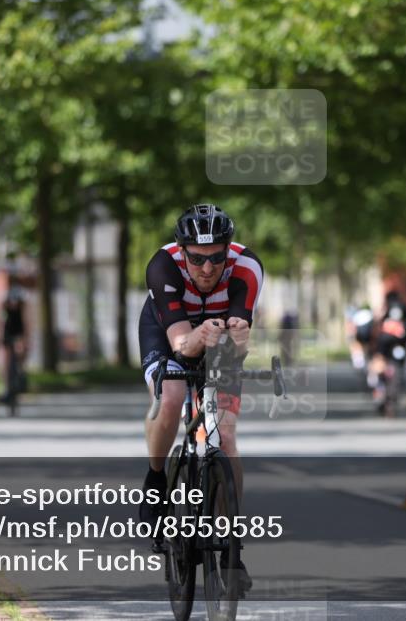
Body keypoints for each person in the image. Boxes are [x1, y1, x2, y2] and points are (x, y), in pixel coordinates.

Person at [137, 203, 264, 593]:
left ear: (228, 251)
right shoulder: (163, 266)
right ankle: (157, 478)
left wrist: (238, 337)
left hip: (219, 341)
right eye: (196, 259)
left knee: (224, 437)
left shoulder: (247, 267)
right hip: (169, 332)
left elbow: (240, 331)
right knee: (173, 396)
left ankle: (229, 544)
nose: (207, 269)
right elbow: (180, 342)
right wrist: (197, 338)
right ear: (182, 251)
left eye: (215, 259)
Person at [0, 280, 29, 415]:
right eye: (12, 302)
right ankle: (6, 387)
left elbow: (27, 323)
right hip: (7, 335)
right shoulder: (4, 307)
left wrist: (26, 340)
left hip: (19, 335)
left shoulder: (23, 308)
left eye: (16, 302)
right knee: (5, 362)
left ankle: (21, 373)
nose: (14, 304)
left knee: (20, 351)